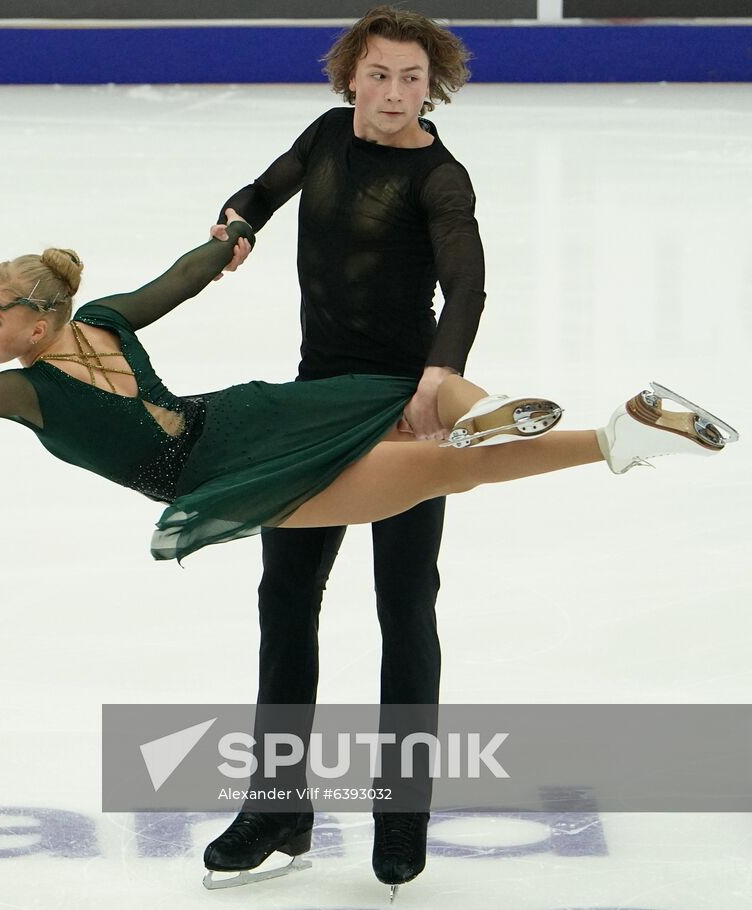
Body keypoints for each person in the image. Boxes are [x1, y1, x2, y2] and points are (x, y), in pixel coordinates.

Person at [0, 216, 733, 571]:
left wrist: (223, 244)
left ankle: (586, 429)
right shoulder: (62, 355)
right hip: (236, 445)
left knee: (430, 433)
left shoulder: (60, 357)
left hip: (234, 444)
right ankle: (616, 430)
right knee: (427, 438)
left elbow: (169, 285)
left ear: (37, 317)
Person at [203, 6, 485, 892]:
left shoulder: (440, 178)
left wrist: (439, 376)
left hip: (402, 413)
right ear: (350, 76)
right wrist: (237, 218)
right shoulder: (326, 135)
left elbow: (467, 286)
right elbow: (263, 189)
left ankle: (402, 815)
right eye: (379, 75)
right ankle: (277, 805)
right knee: (286, 596)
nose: (394, 94)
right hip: (311, 403)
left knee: (404, 607)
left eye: (411, 79)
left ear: (428, 85)